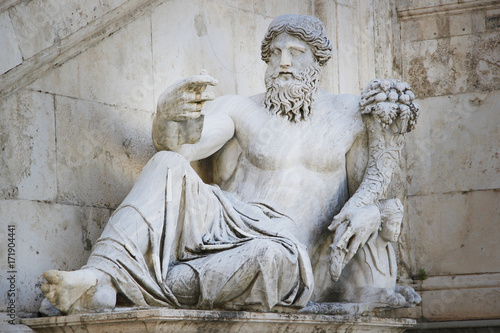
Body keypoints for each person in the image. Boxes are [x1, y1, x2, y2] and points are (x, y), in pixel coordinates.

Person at [41, 14, 418, 315]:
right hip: (225, 223)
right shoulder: (240, 108)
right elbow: (182, 147)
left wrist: (371, 210)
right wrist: (166, 117)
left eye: (296, 52)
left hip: (286, 248)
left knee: (272, 258)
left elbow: (368, 190)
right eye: (274, 53)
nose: (283, 62)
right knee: (167, 164)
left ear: (318, 59)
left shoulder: (348, 114)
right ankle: (99, 274)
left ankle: (124, 289)